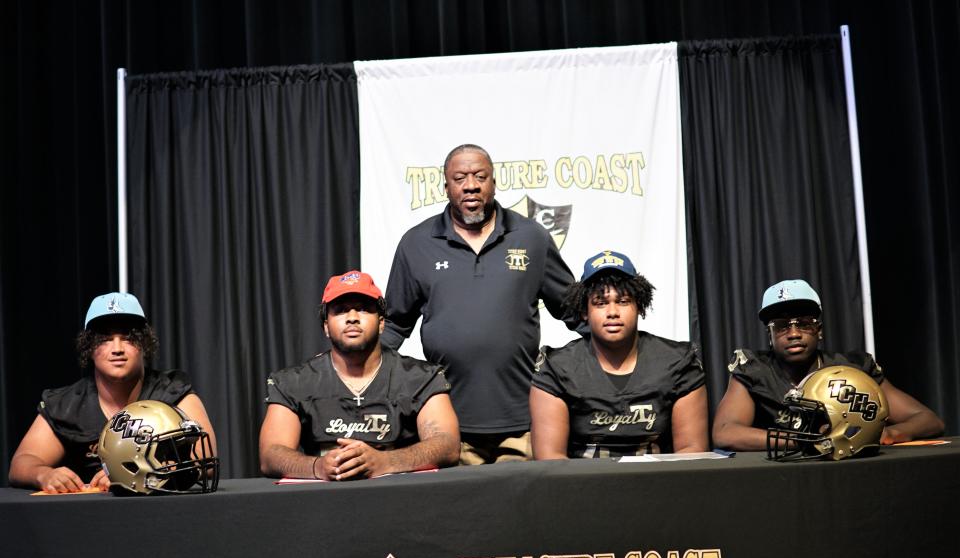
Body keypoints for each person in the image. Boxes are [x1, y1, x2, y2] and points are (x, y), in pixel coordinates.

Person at [382, 143, 577, 464]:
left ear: (494, 182)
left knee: (524, 513)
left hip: (522, 423)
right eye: (460, 178)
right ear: (446, 187)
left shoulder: (532, 237)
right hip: (447, 426)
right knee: (460, 514)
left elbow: (574, 310)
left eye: (480, 176)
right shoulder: (416, 243)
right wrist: (350, 370)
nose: (470, 185)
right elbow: (394, 325)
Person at [259, 270, 460, 480]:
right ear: (326, 326)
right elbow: (271, 454)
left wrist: (385, 462)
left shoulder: (421, 377)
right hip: (325, 503)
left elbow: (447, 444)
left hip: (400, 500)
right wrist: (317, 467)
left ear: (381, 322)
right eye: (341, 311)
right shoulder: (293, 382)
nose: (353, 318)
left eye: (363, 309)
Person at [9, 292, 218, 493]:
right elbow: (23, 461)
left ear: (144, 344)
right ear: (89, 348)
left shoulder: (173, 392)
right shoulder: (67, 404)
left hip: (160, 512)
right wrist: (44, 475)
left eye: (128, 337)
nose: (117, 348)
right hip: (89, 518)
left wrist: (143, 473)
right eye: (105, 339)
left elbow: (206, 458)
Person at [712, 279, 944, 450]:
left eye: (804, 323)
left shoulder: (853, 369)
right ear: (769, 335)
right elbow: (725, 433)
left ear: (819, 331)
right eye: (782, 326)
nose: (793, 333)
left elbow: (928, 419)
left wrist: (890, 432)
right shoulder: (754, 370)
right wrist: (809, 442)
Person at [530, 251, 709, 458]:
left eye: (623, 301)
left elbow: (692, 452)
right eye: (600, 302)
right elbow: (550, 459)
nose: (612, 312)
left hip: (658, 485)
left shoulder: (678, 362)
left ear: (639, 306)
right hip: (582, 487)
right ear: (584, 311)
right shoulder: (557, 367)